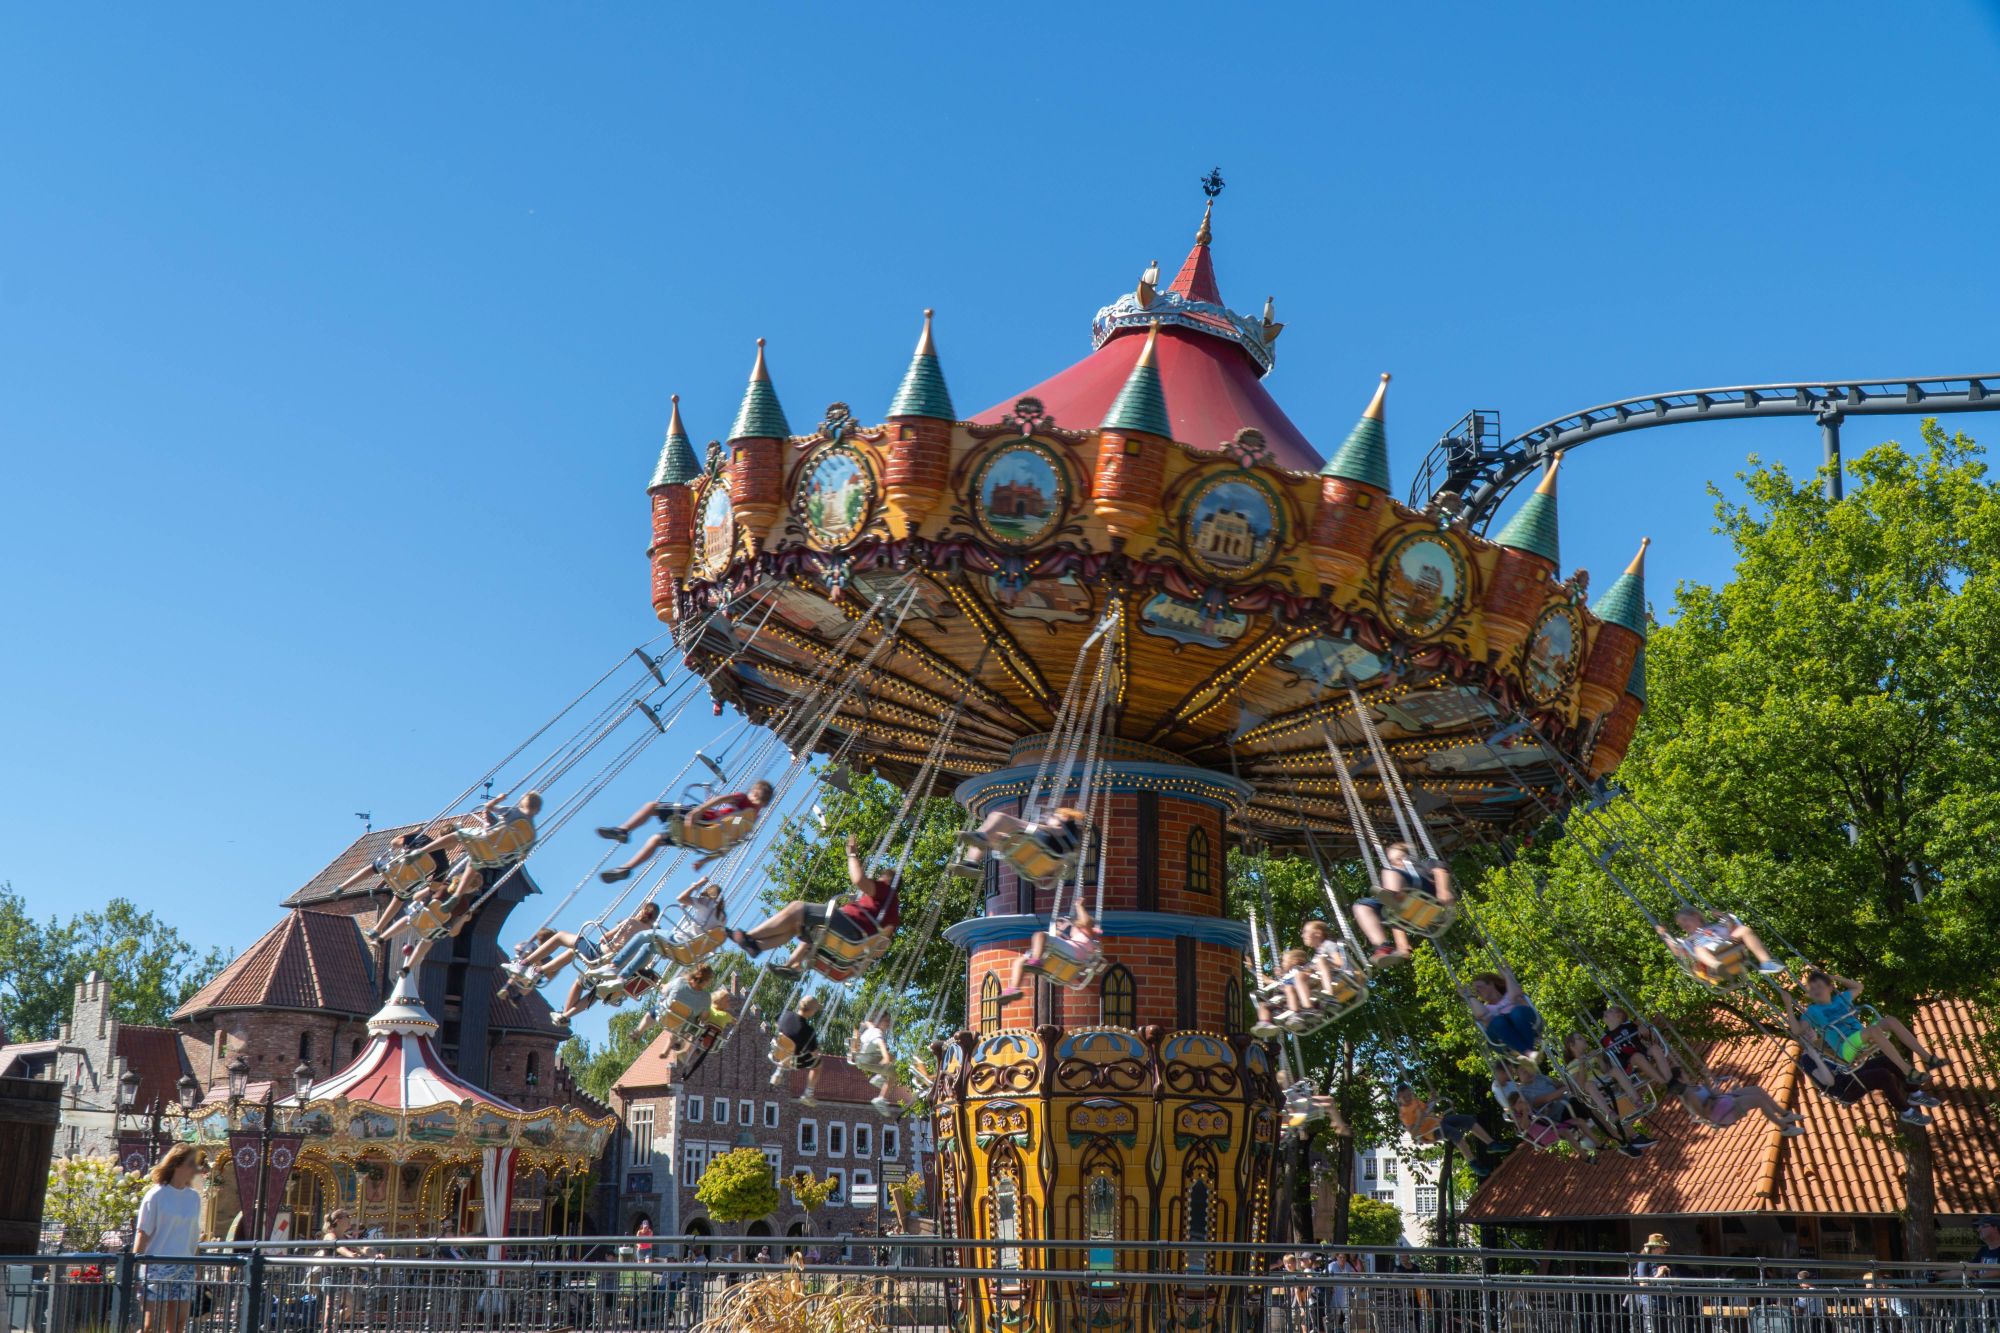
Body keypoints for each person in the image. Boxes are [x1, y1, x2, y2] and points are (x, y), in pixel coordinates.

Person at [396, 791, 544, 971]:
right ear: (537, 811)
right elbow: (523, 854)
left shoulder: (513, 812)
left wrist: (497, 800)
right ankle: (457, 895)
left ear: (522, 803)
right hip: (496, 856)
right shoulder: (532, 833)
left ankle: (422, 851)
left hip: (485, 842)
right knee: (474, 863)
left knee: (456, 835)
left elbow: (489, 808)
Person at [729, 835, 900, 979]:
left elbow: (858, 880)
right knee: (797, 927)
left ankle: (749, 936)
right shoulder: (893, 915)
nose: (876, 882)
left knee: (796, 908)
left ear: (886, 880)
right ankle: (769, 953)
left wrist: (852, 855)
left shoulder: (886, 891)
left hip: (850, 928)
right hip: (851, 946)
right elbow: (879, 950)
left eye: (879, 879)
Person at [597, 780, 774, 876]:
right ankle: (627, 868)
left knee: (652, 806)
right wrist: (704, 861)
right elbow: (729, 843)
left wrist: (697, 811)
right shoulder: (748, 822)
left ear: (754, 792)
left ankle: (624, 830)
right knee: (657, 840)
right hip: (706, 840)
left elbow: (720, 800)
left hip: (702, 822)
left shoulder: (742, 800)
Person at [1798, 969, 1946, 1080]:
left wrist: (1830, 977)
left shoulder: (1840, 999)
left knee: (1890, 1020)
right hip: (1846, 1047)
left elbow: (1858, 986)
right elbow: (1797, 1030)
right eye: (1812, 988)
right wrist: (1787, 1003)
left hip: (1862, 1036)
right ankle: (1907, 1071)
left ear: (1830, 988)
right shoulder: (1813, 1011)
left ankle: (1928, 1058)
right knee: (1873, 1030)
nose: (1816, 990)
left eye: (1819, 986)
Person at [502, 901, 662, 996]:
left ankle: (523, 964)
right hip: (614, 968)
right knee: (573, 951)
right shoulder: (649, 939)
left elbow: (604, 938)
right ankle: (538, 972)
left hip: (601, 955)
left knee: (560, 936)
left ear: (643, 911)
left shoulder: (631, 922)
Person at [135, 1145, 206, 1333]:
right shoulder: (156, 1195)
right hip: (157, 1265)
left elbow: (193, 1234)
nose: (195, 1168)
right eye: (192, 1163)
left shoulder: (194, 1198)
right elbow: (143, 1232)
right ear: (177, 1164)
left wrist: (197, 1266)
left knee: (178, 1324)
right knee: (152, 1326)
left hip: (185, 1264)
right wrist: (134, 1267)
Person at [348, 831, 453, 936]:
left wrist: (413, 832)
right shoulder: (444, 863)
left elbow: (394, 842)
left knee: (375, 866)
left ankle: (344, 886)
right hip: (408, 883)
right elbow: (434, 887)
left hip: (394, 870)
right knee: (400, 897)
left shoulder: (422, 839)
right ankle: (378, 928)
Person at [949, 806, 1089, 884]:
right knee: (995, 836)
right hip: (1040, 854)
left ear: (1064, 817)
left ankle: (977, 848)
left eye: (1051, 817)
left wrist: (1042, 824)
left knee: (998, 816)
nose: (1046, 819)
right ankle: (971, 862)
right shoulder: (1071, 838)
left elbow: (1055, 830)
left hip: (1045, 846)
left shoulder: (1066, 829)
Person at [996, 903, 1103, 1000]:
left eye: (1074, 927)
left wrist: (1079, 906)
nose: (1072, 929)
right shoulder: (1072, 940)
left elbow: (1086, 921)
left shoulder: (1088, 934)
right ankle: (1014, 988)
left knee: (1040, 935)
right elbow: (1053, 939)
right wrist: (1059, 930)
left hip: (1074, 954)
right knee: (1019, 962)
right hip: (1066, 954)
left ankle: (1036, 961)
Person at [1656, 906, 1784, 978]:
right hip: (1710, 955)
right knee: (1699, 949)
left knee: (1744, 930)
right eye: (1680, 924)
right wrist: (1665, 936)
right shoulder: (1689, 940)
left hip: (1727, 945)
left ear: (1695, 917)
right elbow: (1678, 952)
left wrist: (1722, 916)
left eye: (1685, 920)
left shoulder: (1714, 927)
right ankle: (1717, 966)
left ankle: (1766, 963)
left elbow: (1732, 928)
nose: (1683, 925)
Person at [1394, 1084, 1497, 1159]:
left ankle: (1491, 1143)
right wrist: (1420, 1120)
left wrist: (1432, 1099)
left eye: (1409, 1095)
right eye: (1404, 1097)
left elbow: (1427, 1108)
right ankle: (1472, 1162)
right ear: (1399, 1098)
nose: (1408, 1098)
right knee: (1455, 1133)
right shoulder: (1404, 1114)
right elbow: (1414, 1134)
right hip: (1431, 1131)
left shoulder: (1415, 1101)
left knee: (1467, 1119)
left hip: (1439, 1121)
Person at [1598, 1006, 1684, 1092]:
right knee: (1637, 1056)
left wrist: (1643, 1029)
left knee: (1655, 1048)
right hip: (1627, 1063)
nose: (1605, 1012)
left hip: (1642, 1052)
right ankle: (1665, 1082)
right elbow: (1607, 1063)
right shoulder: (1604, 1039)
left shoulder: (1629, 1026)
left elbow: (1651, 1039)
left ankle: (1670, 1080)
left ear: (1619, 1016)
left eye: (1610, 1011)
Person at [1677, 1078, 1805, 1134]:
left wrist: (1708, 1082)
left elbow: (1713, 1094)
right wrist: (1712, 1099)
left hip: (1722, 1101)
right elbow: (1704, 1114)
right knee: (1758, 1100)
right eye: (1683, 1074)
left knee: (1757, 1090)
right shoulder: (1689, 1096)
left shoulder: (1694, 1087)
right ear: (1681, 1079)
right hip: (1721, 1112)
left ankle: (1785, 1114)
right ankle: (1785, 1128)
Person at [1461, 972, 1543, 1059]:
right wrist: (1470, 996)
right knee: (1498, 1021)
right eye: (1475, 990)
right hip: (1502, 1035)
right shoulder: (1486, 1008)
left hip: (1524, 1023)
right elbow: (1480, 1014)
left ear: (1491, 984)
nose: (1478, 992)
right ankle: (1529, 1053)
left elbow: (1517, 994)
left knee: (1517, 1012)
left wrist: (1507, 973)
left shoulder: (1509, 995)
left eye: (1479, 987)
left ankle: (1526, 1053)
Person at [769, 994, 823, 1105]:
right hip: (793, 1060)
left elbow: (776, 1023)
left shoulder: (785, 1014)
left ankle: (778, 1072)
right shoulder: (808, 1030)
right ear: (811, 1011)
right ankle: (808, 1093)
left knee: (787, 1049)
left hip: (776, 1051)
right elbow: (814, 1053)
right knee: (818, 1064)